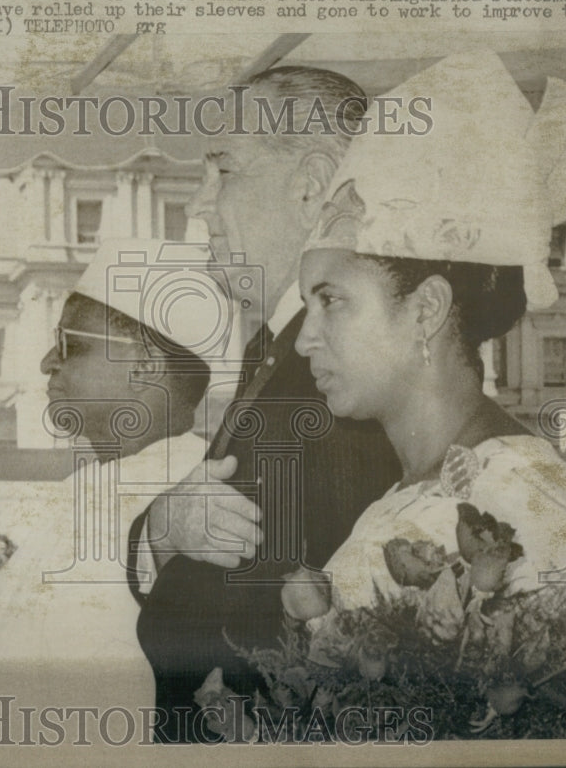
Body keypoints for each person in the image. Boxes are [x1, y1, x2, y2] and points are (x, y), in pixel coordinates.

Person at [287, 51, 566, 737]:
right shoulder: (482, 483)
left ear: (426, 309)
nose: (304, 340)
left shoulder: (491, 504)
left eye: (331, 301)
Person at [128, 67, 402, 742]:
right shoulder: (277, 349)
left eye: (224, 170)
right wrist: (161, 532)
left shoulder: (338, 371)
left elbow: (276, 627)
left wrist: (164, 547)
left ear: (310, 184)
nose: (200, 201)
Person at [0, 238, 219, 743]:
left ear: (145, 365)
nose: (46, 363)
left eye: (71, 346)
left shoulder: (205, 494)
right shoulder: (65, 494)